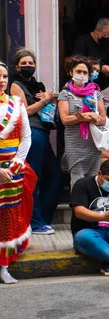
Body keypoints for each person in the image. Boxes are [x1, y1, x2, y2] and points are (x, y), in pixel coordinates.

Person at [10, 48, 62, 235]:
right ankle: (35, 221)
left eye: (30, 63)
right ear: (17, 67)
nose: (28, 66)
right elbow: (26, 110)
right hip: (31, 133)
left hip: (44, 133)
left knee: (56, 177)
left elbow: (46, 108)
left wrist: (49, 100)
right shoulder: (16, 85)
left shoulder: (37, 85)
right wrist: (45, 100)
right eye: (23, 64)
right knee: (34, 178)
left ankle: (44, 218)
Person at [0, 61, 36, 284]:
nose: (2, 80)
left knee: (8, 217)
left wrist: (14, 166)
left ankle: (3, 267)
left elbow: (26, 137)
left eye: (4, 76)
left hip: (13, 170)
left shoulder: (16, 103)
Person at [58, 56, 106, 189]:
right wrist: (87, 116)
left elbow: (102, 120)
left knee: (93, 183)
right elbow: (65, 120)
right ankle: (77, 209)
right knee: (77, 184)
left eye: (85, 73)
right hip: (75, 146)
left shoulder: (96, 94)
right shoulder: (65, 94)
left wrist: (89, 117)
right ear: (71, 72)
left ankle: (89, 209)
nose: (82, 75)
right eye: (79, 71)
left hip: (93, 145)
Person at [72, 18, 109, 107]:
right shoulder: (83, 41)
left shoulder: (108, 46)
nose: (108, 39)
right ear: (98, 30)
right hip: (85, 85)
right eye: (106, 36)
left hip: (103, 88)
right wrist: (99, 67)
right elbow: (76, 61)